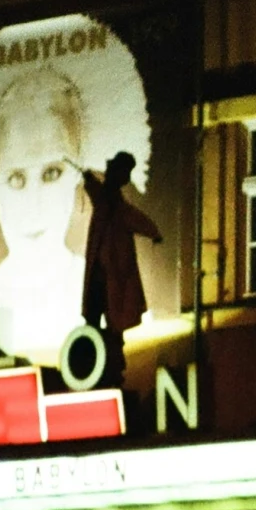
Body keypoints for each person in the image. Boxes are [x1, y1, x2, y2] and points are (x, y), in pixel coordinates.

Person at [0, 67, 92, 364]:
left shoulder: (102, 292)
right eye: (16, 179)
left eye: (52, 173)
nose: (34, 203)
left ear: (77, 176)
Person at [79, 149, 163, 388]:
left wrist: (154, 232)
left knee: (111, 326)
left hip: (110, 278)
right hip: (102, 277)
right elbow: (139, 220)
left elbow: (138, 220)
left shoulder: (116, 206)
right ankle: (94, 363)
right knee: (98, 323)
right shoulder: (108, 201)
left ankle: (106, 366)